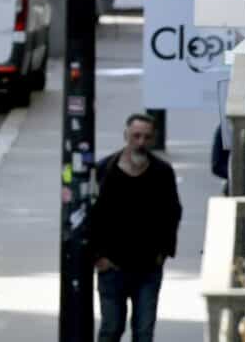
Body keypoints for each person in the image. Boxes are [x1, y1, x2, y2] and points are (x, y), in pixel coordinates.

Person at [90, 113, 182, 342]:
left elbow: (173, 212)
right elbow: (90, 216)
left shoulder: (162, 172)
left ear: (153, 139)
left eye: (146, 137)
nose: (141, 142)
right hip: (112, 267)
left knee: (143, 332)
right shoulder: (105, 170)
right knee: (111, 328)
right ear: (126, 136)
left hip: (148, 268)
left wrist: (163, 252)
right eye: (136, 136)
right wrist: (98, 257)